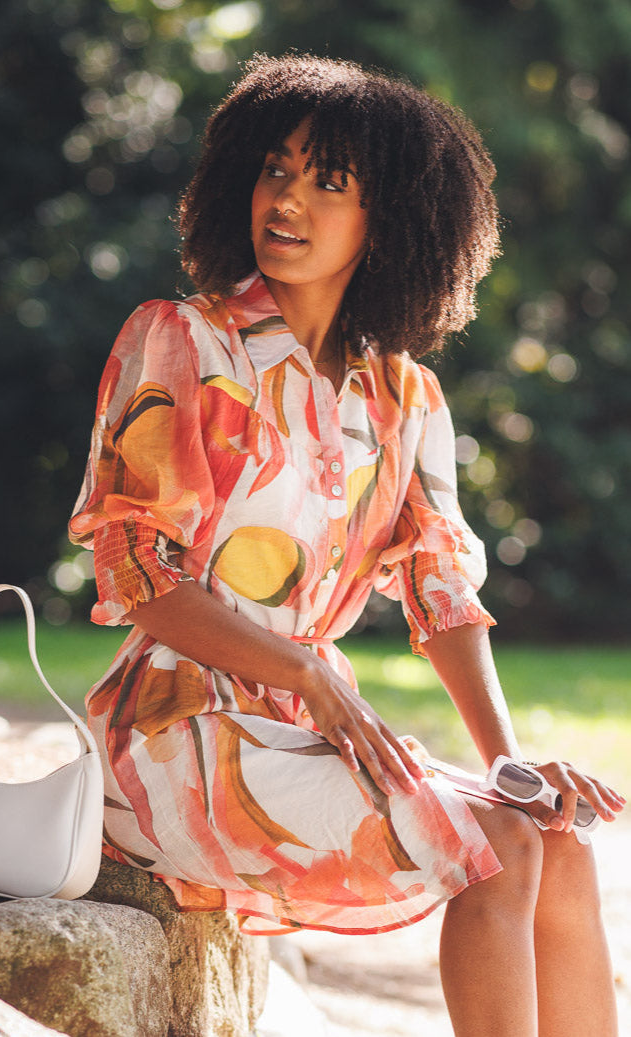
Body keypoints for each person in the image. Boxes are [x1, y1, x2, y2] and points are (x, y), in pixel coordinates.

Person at [69, 53, 625, 1036]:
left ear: (391, 221)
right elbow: (137, 573)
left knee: (547, 834)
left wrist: (509, 762)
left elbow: (440, 590)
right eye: (275, 168)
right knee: (495, 846)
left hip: (314, 723)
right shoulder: (182, 342)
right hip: (173, 722)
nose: (288, 198)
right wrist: (309, 675)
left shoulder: (403, 395)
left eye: (329, 181)